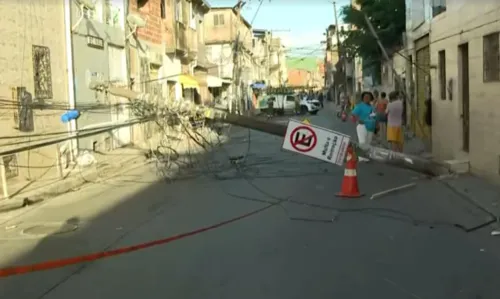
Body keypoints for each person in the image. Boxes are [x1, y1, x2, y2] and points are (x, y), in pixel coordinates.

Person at [351, 91, 376, 161]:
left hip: (371, 127)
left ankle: (366, 156)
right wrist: (358, 120)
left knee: (368, 142)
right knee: (362, 142)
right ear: (363, 98)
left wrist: (376, 125)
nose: (367, 98)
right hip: (362, 126)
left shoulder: (372, 107)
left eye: (368, 97)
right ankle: (361, 157)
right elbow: (353, 114)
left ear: (371, 98)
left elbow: (374, 117)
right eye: (365, 97)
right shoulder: (360, 106)